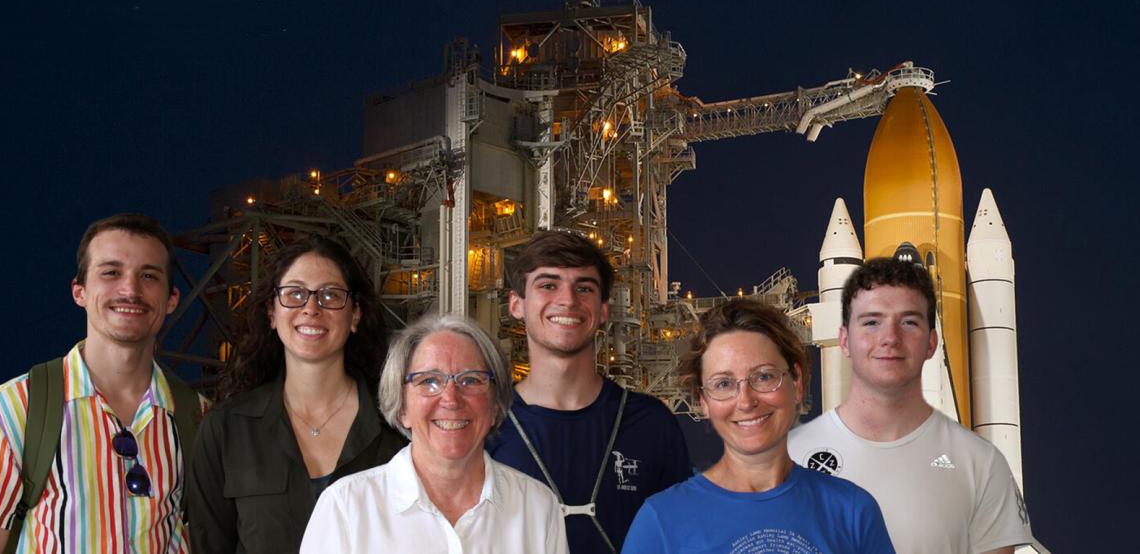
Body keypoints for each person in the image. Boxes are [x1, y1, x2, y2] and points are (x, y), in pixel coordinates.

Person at [0, 213, 204, 554]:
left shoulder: (197, 416)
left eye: (149, 276)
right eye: (111, 272)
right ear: (79, 292)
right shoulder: (16, 408)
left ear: (171, 299)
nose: (130, 289)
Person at [788, 257, 1035, 554]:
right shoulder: (789, 455)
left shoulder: (981, 463)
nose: (890, 338)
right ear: (844, 340)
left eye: (908, 322)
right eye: (871, 322)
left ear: (932, 342)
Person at [187, 235, 407, 553]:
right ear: (272, 314)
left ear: (355, 315)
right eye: (295, 294)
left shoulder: (398, 426)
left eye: (330, 295)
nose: (311, 308)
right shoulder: (226, 428)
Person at [623, 300, 894, 553]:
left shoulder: (853, 512)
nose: (746, 401)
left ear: (796, 383)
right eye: (723, 384)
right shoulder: (660, 523)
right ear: (702, 401)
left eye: (764, 376)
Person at [486, 230, 691, 553]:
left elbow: (680, 538)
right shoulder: (488, 425)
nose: (568, 300)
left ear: (604, 309)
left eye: (584, 287)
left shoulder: (652, 424)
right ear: (516, 304)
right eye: (548, 285)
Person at [300, 314, 567, 553]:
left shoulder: (538, 509)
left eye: (471, 380)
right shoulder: (345, 509)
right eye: (429, 381)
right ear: (402, 407)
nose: (451, 399)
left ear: (495, 405)